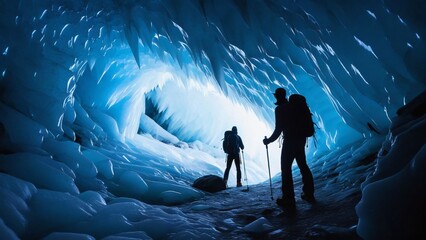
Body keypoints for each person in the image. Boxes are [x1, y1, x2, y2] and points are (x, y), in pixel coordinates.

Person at [263, 88, 315, 209]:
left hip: (290, 141)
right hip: (301, 139)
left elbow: (278, 130)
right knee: (303, 165)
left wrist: (268, 141)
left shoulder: (280, 109)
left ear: (277, 96)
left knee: (286, 169)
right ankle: (309, 193)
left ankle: (288, 199)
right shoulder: (295, 107)